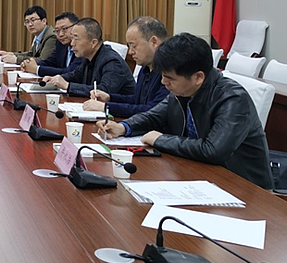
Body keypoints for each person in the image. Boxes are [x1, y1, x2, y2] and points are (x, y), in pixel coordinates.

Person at [96, 33, 273, 189]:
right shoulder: (184, 90)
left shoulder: (233, 98)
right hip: (198, 174)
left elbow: (213, 150)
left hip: (243, 187)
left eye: (169, 78)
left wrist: (160, 139)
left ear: (198, 77)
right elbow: (154, 116)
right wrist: (123, 127)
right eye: (162, 76)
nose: (163, 82)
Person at [82, 16, 169, 117]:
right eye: (129, 46)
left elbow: (152, 110)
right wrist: (109, 98)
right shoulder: (145, 68)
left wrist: (106, 107)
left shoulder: (169, 73)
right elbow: (136, 100)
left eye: (134, 46)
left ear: (154, 42)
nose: (130, 52)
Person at [45, 17, 135, 97]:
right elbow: (75, 76)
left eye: (76, 39)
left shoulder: (112, 62)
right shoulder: (88, 57)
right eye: (72, 38)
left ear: (93, 43)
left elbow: (103, 91)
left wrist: (68, 86)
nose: (72, 43)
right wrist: (56, 79)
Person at [20, 12, 82, 77]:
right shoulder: (61, 44)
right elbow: (50, 62)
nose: (60, 34)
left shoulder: (82, 47)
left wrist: (37, 69)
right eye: (57, 31)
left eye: (64, 29)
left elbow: (70, 72)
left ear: (76, 27)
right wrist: (28, 64)